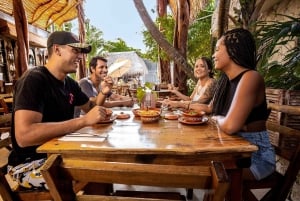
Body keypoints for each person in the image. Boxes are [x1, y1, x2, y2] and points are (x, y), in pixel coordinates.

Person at [7, 31, 113, 190]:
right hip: (29, 163)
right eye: (75, 50)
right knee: (98, 170)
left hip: (59, 153)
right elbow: (24, 136)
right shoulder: (34, 79)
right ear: (57, 50)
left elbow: (91, 108)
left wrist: (104, 92)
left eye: (81, 52)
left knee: (104, 160)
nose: (80, 56)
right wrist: (83, 121)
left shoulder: (70, 84)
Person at [192, 28, 275, 181]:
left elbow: (230, 126)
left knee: (206, 174)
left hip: (254, 158)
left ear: (232, 51)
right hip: (231, 150)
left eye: (217, 50)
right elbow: (213, 111)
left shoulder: (251, 77)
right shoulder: (225, 81)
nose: (213, 55)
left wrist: (217, 119)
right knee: (195, 162)